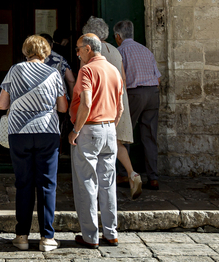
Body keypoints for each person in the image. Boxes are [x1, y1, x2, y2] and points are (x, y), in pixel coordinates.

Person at [0, 34, 69, 252]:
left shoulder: (14, 70)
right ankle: (47, 238)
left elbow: (1, 104)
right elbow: (63, 108)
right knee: (47, 184)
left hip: (19, 132)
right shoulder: (53, 73)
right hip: (47, 132)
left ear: (25, 50)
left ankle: (22, 236)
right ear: (45, 52)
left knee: (23, 183)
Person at [68, 32, 124, 248]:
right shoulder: (113, 70)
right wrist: (111, 126)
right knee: (108, 184)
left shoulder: (87, 70)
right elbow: (119, 107)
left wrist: (76, 129)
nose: (77, 52)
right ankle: (111, 233)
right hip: (110, 129)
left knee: (87, 182)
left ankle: (90, 235)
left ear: (88, 49)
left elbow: (86, 103)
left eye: (78, 48)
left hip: (90, 129)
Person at [83, 16, 142, 200]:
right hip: (119, 100)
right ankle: (132, 173)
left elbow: (85, 80)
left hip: (101, 103)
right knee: (116, 142)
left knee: (97, 143)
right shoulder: (116, 51)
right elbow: (123, 78)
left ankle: (99, 186)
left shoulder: (90, 52)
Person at [114, 19, 161, 190]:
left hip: (134, 93)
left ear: (118, 36)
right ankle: (153, 177)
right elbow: (158, 77)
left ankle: (124, 175)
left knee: (124, 133)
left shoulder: (120, 52)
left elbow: (121, 79)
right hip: (153, 92)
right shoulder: (146, 51)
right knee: (149, 136)